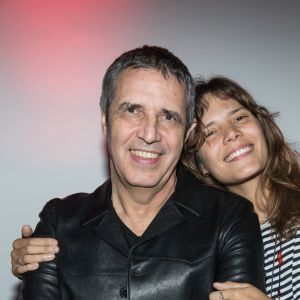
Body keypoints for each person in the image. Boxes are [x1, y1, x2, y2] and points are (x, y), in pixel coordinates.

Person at [11, 47, 265, 299]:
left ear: (187, 133)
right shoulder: (59, 222)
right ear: (105, 122)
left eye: (168, 117)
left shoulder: (230, 219)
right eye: (132, 110)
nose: (150, 133)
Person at [182, 76, 300, 299]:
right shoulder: (212, 249)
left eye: (239, 117)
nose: (231, 133)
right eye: (211, 132)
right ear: (200, 165)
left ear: (261, 127)